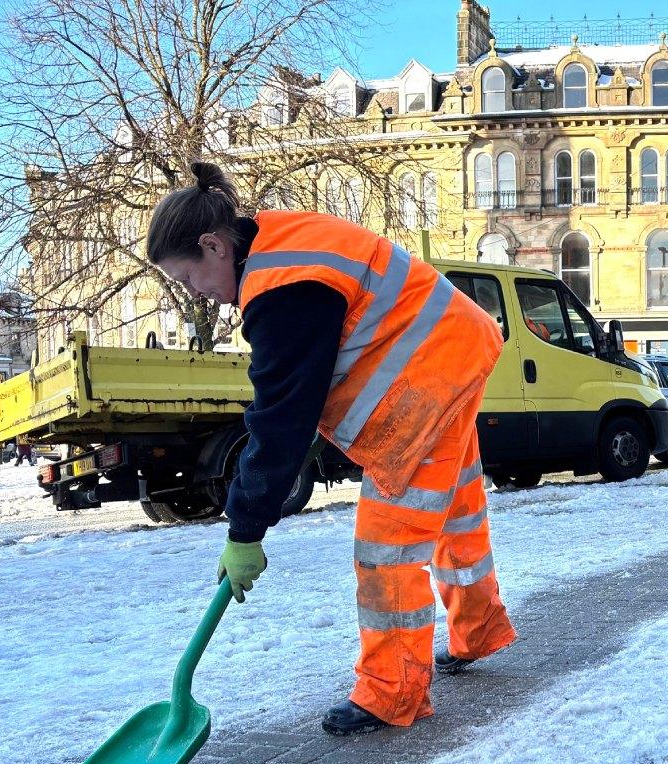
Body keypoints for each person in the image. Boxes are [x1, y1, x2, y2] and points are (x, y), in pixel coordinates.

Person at [146, 162, 516, 734]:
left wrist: (245, 528)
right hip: (454, 346)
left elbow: (281, 418)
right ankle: (480, 629)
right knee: (456, 509)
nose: (194, 294)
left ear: (213, 246)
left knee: (387, 546)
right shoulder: (276, 239)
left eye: (189, 279)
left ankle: (393, 690)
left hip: (428, 380)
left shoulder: (283, 289)